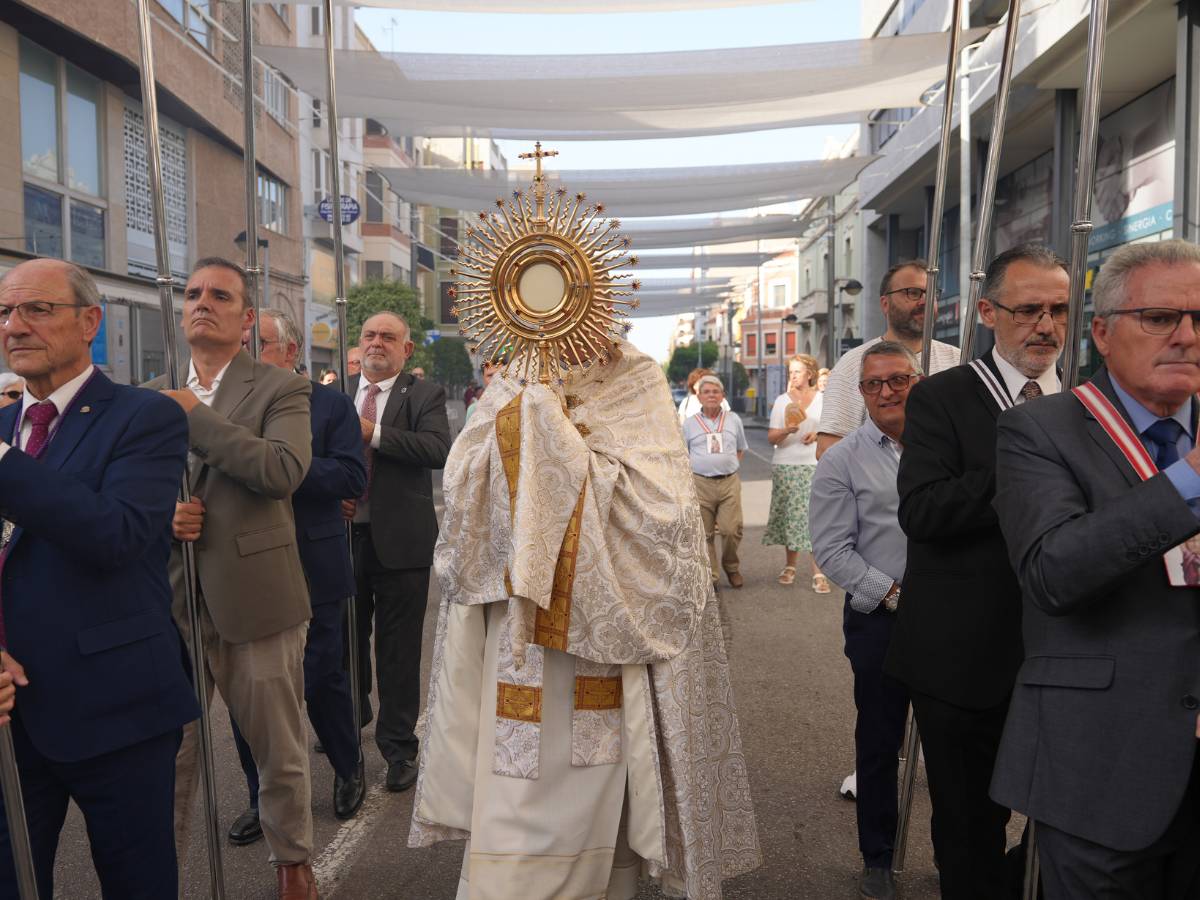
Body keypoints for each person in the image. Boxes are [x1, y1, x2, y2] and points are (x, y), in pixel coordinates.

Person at [408, 340, 760, 900]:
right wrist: (524, 422)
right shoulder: (513, 380)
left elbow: (662, 499)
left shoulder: (632, 375)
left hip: (601, 624)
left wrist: (554, 435)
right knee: (511, 776)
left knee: (595, 769)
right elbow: (465, 481)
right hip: (515, 626)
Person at [991, 239, 1200, 897]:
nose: (1187, 337)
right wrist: (1188, 481)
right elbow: (1054, 572)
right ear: (1104, 333)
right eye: (1160, 318)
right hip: (1104, 763)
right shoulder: (1041, 431)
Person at [0, 258, 198, 898]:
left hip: (117, 708)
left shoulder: (144, 418)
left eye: (36, 309)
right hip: (11, 712)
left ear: (90, 322)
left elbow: (118, 534)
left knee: (137, 882)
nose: (14, 326)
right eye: (5, 312)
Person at [886, 243, 1070, 899]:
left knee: (1068, 827)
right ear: (989, 312)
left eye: (1058, 310)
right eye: (1027, 311)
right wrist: (1024, 467)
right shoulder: (941, 398)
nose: (1044, 326)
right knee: (967, 832)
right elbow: (923, 512)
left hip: (1068, 660)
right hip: (961, 665)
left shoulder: (1087, 401)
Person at [148, 257, 319, 900]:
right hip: (172, 603)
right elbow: (131, 491)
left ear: (246, 320)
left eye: (220, 295)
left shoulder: (280, 389)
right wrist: (163, 514)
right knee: (168, 756)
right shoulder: (150, 390)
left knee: (278, 750)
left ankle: (293, 864)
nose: (202, 303)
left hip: (257, 599)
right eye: (192, 294)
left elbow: (281, 470)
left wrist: (194, 413)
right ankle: (156, 873)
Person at [226, 309, 368, 847]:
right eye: (240, 343)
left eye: (256, 343)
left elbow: (352, 474)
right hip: (247, 566)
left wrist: (281, 464)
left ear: (288, 352)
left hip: (314, 563)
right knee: (250, 690)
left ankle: (348, 766)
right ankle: (259, 795)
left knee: (323, 676)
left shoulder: (328, 404)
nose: (245, 352)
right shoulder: (224, 406)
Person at [810, 341, 922, 900]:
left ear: (917, 381)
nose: (886, 392)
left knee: (957, 742)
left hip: (952, 620)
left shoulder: (948, 447)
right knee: (880, 742)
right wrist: (894, 594)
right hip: (882, 618)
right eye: (874, 384)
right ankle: (877, 856)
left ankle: (962, 850)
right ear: (860, 393)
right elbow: (831, 551)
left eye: (898, 380)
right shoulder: (841, 460)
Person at [345, 312, 450, 792]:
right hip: (341, 540)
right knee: (343, 646)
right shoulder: (333, 397)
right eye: (369, 335)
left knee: (398, 653)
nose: (377, 343)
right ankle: (348, 729)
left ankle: (398, 748)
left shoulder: (424, 395)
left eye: (388, 337)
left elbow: (435, 449)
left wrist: (374, 434)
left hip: (402, 544)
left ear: (406, 349)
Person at [816, 259, 959, 458]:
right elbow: (828, 449)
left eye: (932, 293)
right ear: (885, 304)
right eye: (913, 293)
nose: (925, 301)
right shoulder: (853, 364)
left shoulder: (958, 360)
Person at [764, 354, 826, 589]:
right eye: (791, 372)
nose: (793, 375)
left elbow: (832, 430)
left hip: (815, 464)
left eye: (797, 371)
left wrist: (818, 434)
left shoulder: (822, 399)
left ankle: (818, 571)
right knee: (790, 517)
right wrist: (787, 430)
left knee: (815, 517)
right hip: (786, 464)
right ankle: (790, 565)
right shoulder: (782, 401)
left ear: (810, 374)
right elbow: (771, 437)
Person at [682, 374, 748, 588]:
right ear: (698, 397)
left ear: (722, 396)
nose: (711, 395)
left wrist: (727, 466)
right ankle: (712, 576)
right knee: (706, 533)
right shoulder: (690, 424)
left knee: (731, 530)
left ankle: (731, 567)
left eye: (715, 391)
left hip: (729, 482)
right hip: (700, 483)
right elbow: (684, 454)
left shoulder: (733, 419)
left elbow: (740, 449)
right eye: (706, 392)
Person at [464, 360, 502, 424]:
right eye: (490, 375)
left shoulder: (521, 403)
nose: (495, 379)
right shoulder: (474, 409)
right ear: (483, 378)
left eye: (500, 374)